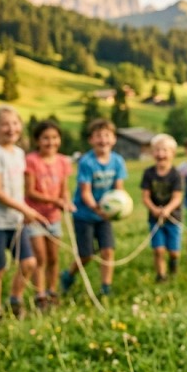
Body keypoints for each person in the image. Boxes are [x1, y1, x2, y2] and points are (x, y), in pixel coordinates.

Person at [0, 105, 46, 320]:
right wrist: (25, 208)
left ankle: (15, 299)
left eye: (15, 123)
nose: (11, 128)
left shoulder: (19, 153)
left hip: (14, 221)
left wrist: (22, 211)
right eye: (4, 124)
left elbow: (17, 188)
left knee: (29, 263)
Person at [60, 118, 127, 297]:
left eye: (107, 135)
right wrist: (97, 209)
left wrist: (119, 207)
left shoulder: (118, 161)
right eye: (98, 136)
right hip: (84, 214)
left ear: (113, 139)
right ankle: (68, 275)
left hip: (104, 216)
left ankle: (106, 287)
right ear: (91, 140)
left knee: (108, 250)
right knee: (86, 254)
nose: (103, 140)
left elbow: (118, 189)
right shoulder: (87, 162)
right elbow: (85, 192)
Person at [24, 119, 74, 308]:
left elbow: (64, 188)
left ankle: (52, 291)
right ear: (37, 140)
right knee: (40, 257)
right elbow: (30, 192)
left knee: (54, 258)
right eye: (45, 138)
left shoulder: (63, 161)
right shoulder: (32, 161)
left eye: (54, 137)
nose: (50, 142)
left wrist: (66, 202)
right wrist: (55, 201)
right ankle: (40, 295)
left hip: (54, 217)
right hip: (35, 217)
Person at [141, 134, 183, 282]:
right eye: (157, 150)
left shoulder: (176, 174)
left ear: (172, 153)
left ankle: (173, 263)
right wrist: (153, 209)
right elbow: (145, 196)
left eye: (165, 150)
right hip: (155, 218)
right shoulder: (148, 173)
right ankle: (161, 276)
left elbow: (177, 197)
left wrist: (168, 209)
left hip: (173, 219)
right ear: (153, 153)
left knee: (174, 252)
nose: (161, 154)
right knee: (158, 250)